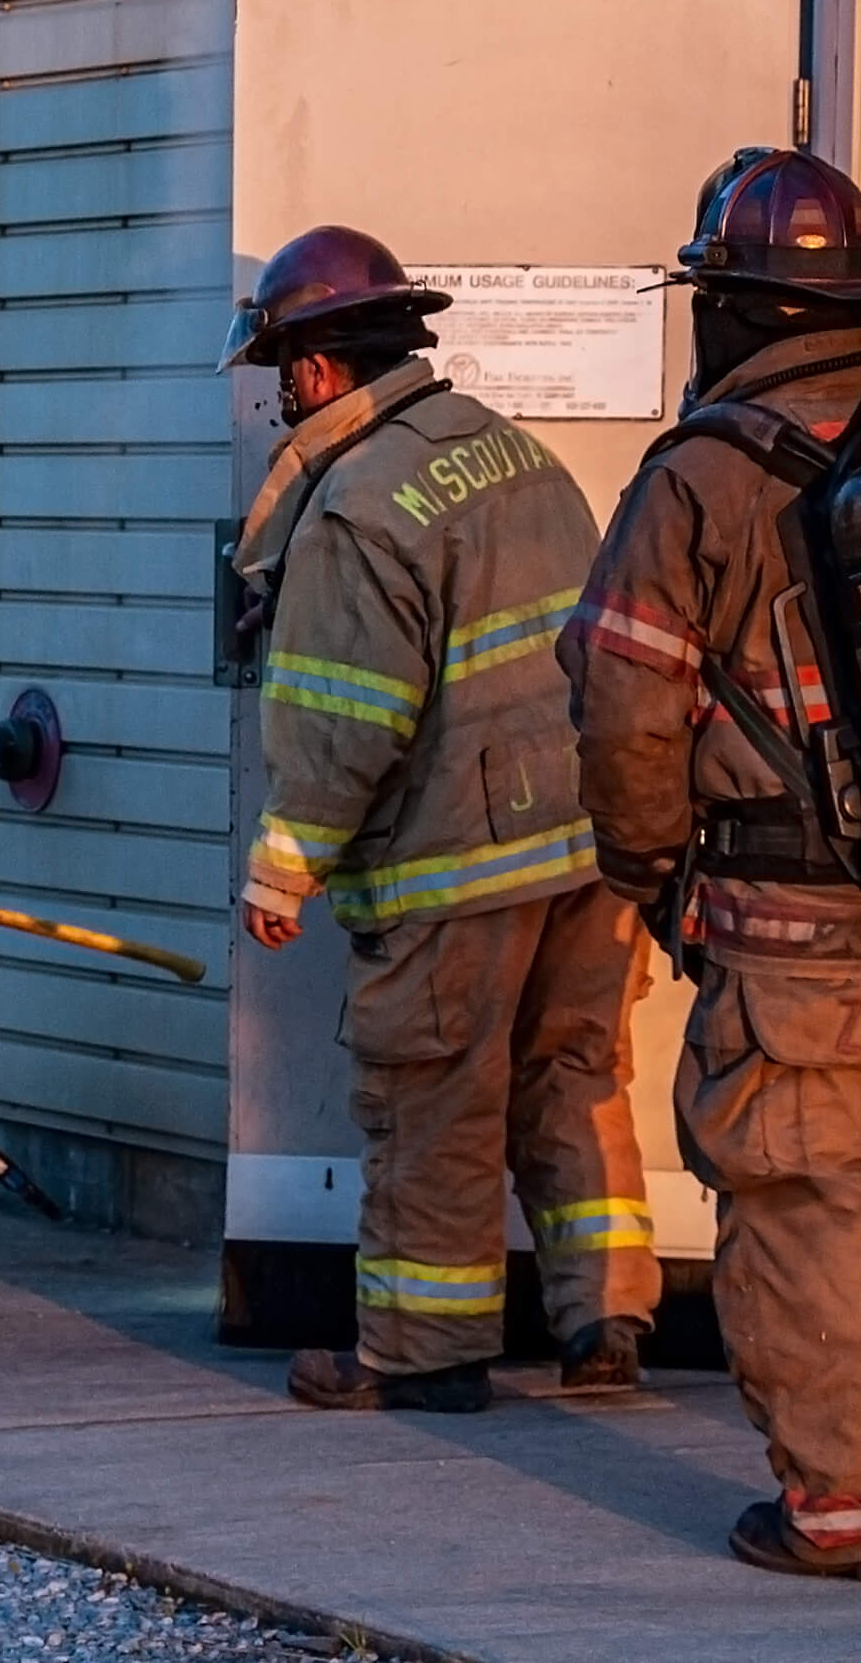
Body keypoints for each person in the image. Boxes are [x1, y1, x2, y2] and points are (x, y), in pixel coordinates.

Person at [562, 147, 861, 1587]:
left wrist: (653, 874)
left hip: (794, 938)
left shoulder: (698, 482)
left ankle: (857, 1513)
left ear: (726, 306)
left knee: (809, 1199)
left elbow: (622, 711)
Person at [227, 225, 661, 1414]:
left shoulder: (355, 503)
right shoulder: (517, 453)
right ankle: (604, 1319)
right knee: (573, 1074)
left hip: (456, 867)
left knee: (434, 1100)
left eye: (281, 374)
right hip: (587, 846)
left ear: (317, 368)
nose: (280, 398)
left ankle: (425, 1350)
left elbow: (344, 721)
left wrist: (282, 868)